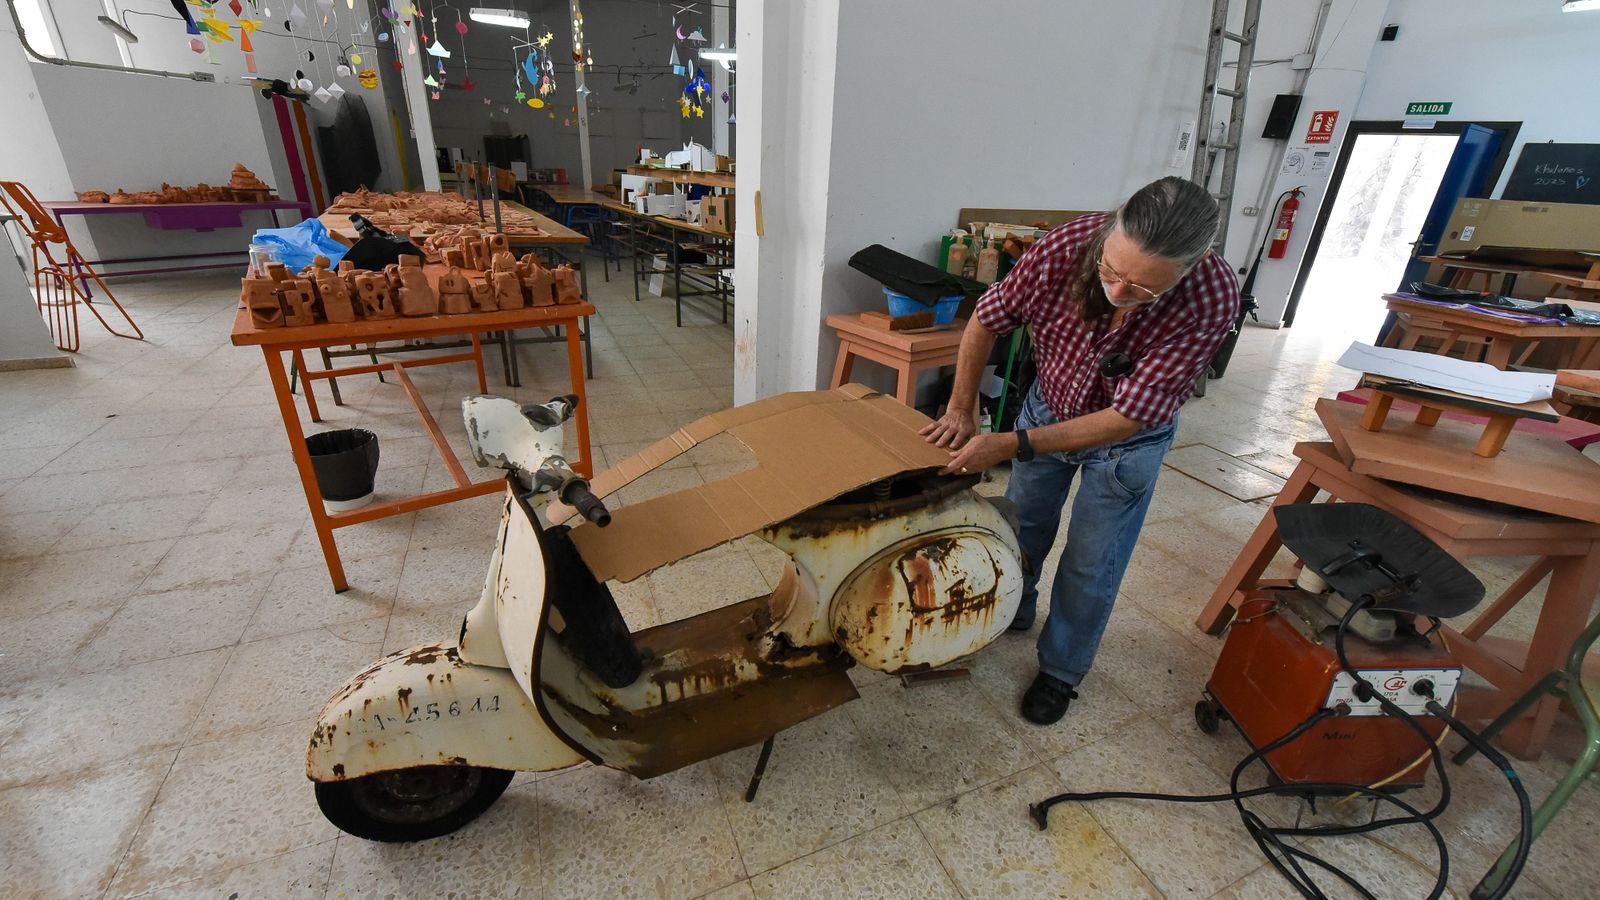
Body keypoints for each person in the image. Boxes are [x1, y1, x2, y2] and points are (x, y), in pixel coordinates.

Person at [920, 176, 1240, 725]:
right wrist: (960, 405)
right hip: (1051, 405)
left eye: (1143, 291)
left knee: (1092, 562)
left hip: (1128, 441)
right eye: (1112, 272)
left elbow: (1127, 417)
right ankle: (1012, 611)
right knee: (1023, 527)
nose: (1118, 293)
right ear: (1111, 231)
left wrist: (1012, 442)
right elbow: (985, 320)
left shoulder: (1211, 297)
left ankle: (1062, 671)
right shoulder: (1064, 248)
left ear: (1192, 265)